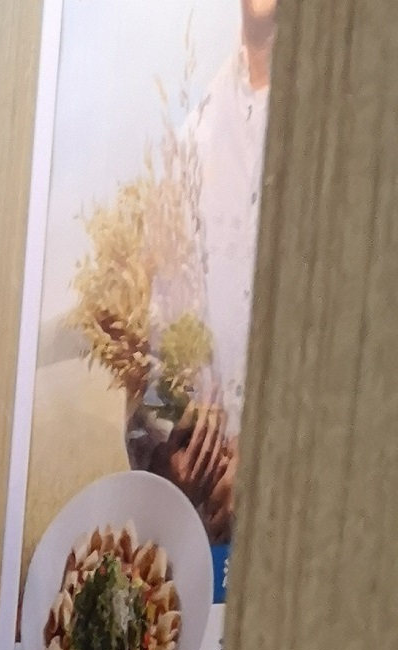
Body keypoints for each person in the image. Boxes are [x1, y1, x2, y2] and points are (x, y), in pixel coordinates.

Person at [130, 0, 273, 544]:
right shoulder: (190, 140)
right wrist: (171, 454)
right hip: (208, 537)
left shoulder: (354, 136)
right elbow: (160, 356)